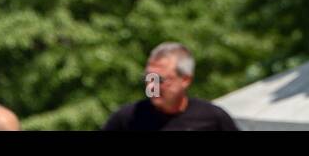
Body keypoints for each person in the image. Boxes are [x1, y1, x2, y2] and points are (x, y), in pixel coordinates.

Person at [102, 42, 238, 131]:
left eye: (159, 80)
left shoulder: (213, 118)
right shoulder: (128, 118)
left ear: (185, 80)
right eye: (148, 78)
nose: (151, 87)